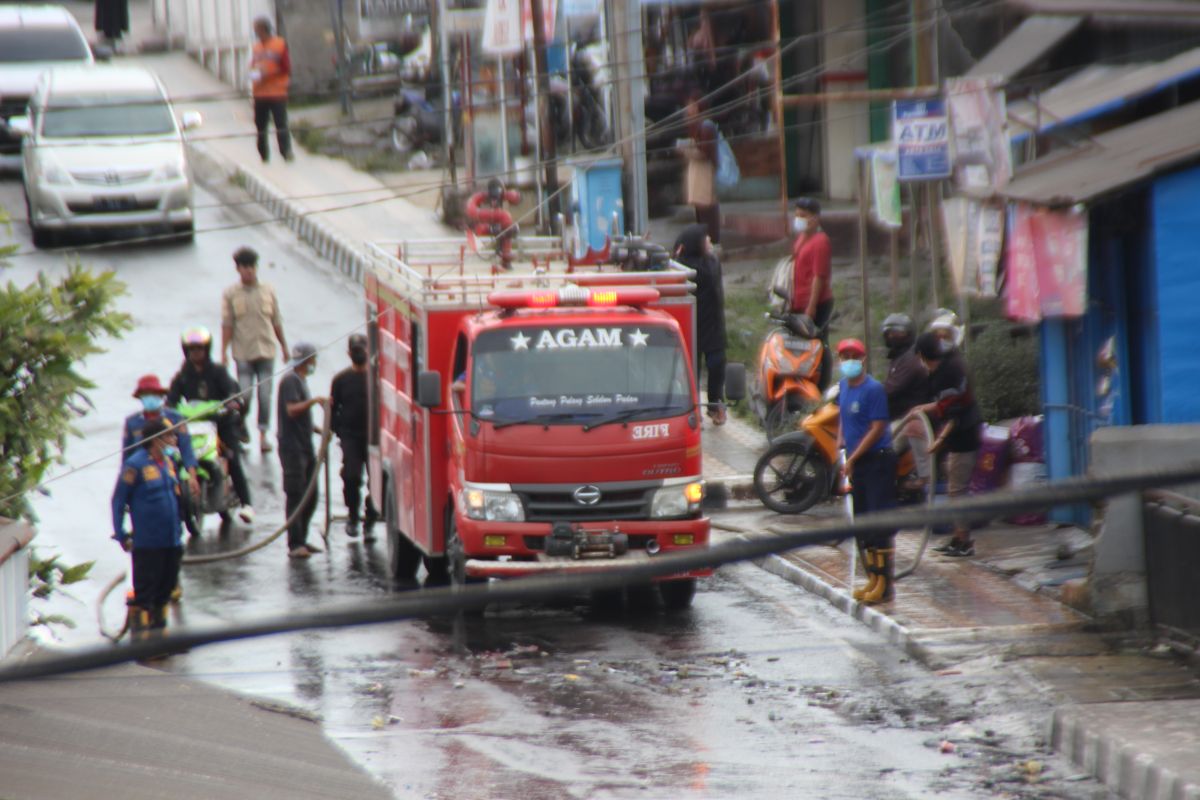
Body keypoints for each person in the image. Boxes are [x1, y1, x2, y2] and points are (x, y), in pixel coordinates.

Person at [167, 326, 255, 525]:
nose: (195, 353)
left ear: (207, 350)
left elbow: (233, 392)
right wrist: (169, 409)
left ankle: (247, 504)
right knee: (174, 457)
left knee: (232, 457)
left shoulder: (218, 372)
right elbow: (171, 399)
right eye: (191, 349)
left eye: (199, 349)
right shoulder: (183, 375)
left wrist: (233, 402)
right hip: (193, 426)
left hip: (221, 423)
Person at [835, 338, 897, 605]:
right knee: (864, 523)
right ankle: (873, 578)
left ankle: (885, 585)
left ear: (863, 359)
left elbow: (877, 429)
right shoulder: (843, 386)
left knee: (878, 521)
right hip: (856, 462)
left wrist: (854, 456)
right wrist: (840, 443)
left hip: (877, 460)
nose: (849, 360)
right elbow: (843, 417)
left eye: (853, 356)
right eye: (844, 356)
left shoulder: (874, 390)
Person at [111, 417, 184, 640]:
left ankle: (160, 637)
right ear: (156, 440)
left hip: (171, 539)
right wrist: (121, 534)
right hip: (148, 542)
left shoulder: (168, 463)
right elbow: (118, 501)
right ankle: (143, 641)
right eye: (169, 436)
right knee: (146, 592)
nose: (174, 440)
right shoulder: (135, 465)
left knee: (166, 588)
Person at [912, 330, 983, 557]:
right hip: (958, 437)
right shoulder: (948, 365)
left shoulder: (950, 371)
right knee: (954, 486)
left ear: (924, 356)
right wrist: (926, 409)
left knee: (957, 491)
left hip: (965, 435)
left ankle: (964, 542)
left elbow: (955, 411)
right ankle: (956, 537)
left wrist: (939, 441)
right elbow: (944, 404)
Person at [221, 246, 288, 454]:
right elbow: (227, 324)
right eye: (244, 267)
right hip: (243, 353)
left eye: (251, 267)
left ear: (256, 267)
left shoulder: (268, 291)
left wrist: (284, 346)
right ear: (238, 269)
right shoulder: (231, 294)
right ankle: (240, 424)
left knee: (265, 395)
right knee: (245, 394)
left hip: (266, 350)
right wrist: (223, 351)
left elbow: (276, 320)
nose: (248, 271)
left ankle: (263, 435)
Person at [278, 342, 329, 559]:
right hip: (292, 449)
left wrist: (320, 430)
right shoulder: (290, 381)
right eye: (313, 360)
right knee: (296, 495)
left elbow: (302, 419)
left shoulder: (301, 381)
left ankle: (303, 538)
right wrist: (314, 402)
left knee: (311, 495)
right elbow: (291, 410)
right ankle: (295, 543)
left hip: (305, 446)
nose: (314, 364)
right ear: (306, 361)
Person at [674, 223, 727, 425]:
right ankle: (693, 409)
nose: (710, 243)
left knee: (717, 365)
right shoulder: (682, 268)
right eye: (706, 240)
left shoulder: (711, 262)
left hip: (713, 325)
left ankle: (715, 404)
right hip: (691, 325)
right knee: (691, 371)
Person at [330, 334, 378, 538]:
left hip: (374, 438)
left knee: (376, 481)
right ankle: (352, 517)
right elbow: (333, 408)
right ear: (349, 353)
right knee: (351, 476)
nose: (359, 353)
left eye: (362, 349)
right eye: (355, 350)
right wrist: (338, 431)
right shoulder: (340, 380)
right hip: (350, 437)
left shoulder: (376, 378)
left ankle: (371, 519)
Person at [123, 374, 199, 502]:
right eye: (145, 395)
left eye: (153, 393)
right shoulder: (132, 423)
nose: (150, 398)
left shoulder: (175, 418)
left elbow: (186, 449)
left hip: (170, 471)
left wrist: (192, 476)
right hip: (141, 475)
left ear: (160, 395)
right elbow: (126, 456)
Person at [881, 313, 931, 487]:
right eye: (889, 333)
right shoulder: (899, 357)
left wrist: (868, 393)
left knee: (883, 449)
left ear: (909, 334)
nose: (892, 337)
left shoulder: (909, 359)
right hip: (898, 415)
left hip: (907, 417)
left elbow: (891, 388)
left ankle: (888, 485)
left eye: (898, 333)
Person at [790, 198, 833, 388]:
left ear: (815, 219)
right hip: (798, 302)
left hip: (816, 303)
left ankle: (820, 384)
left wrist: (811, 307)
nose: (798, 219)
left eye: (803, 216)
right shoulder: (802, 238)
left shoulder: (820, 241)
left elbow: (818, 277)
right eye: (797, 214)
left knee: (818, 345)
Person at [250, 16, 294, 163]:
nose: (255, 32)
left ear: (263, 29)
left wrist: (268, 74)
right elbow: (253, 66)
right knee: (260, 126)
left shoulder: (279, 44)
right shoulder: (256, 47)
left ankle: (286, 152)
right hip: (260, 93)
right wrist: (253, 74)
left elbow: (286, 67)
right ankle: (263, 154)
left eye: (256, 29)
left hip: (276, 92)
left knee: (281, 124)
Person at [681, 89, 721, 246]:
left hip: (704, 172)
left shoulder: (706, 126)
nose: (688, 109)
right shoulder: (695, 125)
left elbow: (704, 153)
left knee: (706, 206)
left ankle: (711, 241)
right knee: (699, 207)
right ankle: (704, 240)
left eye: (691, 106)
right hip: (697, 171)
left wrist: (686, 150)